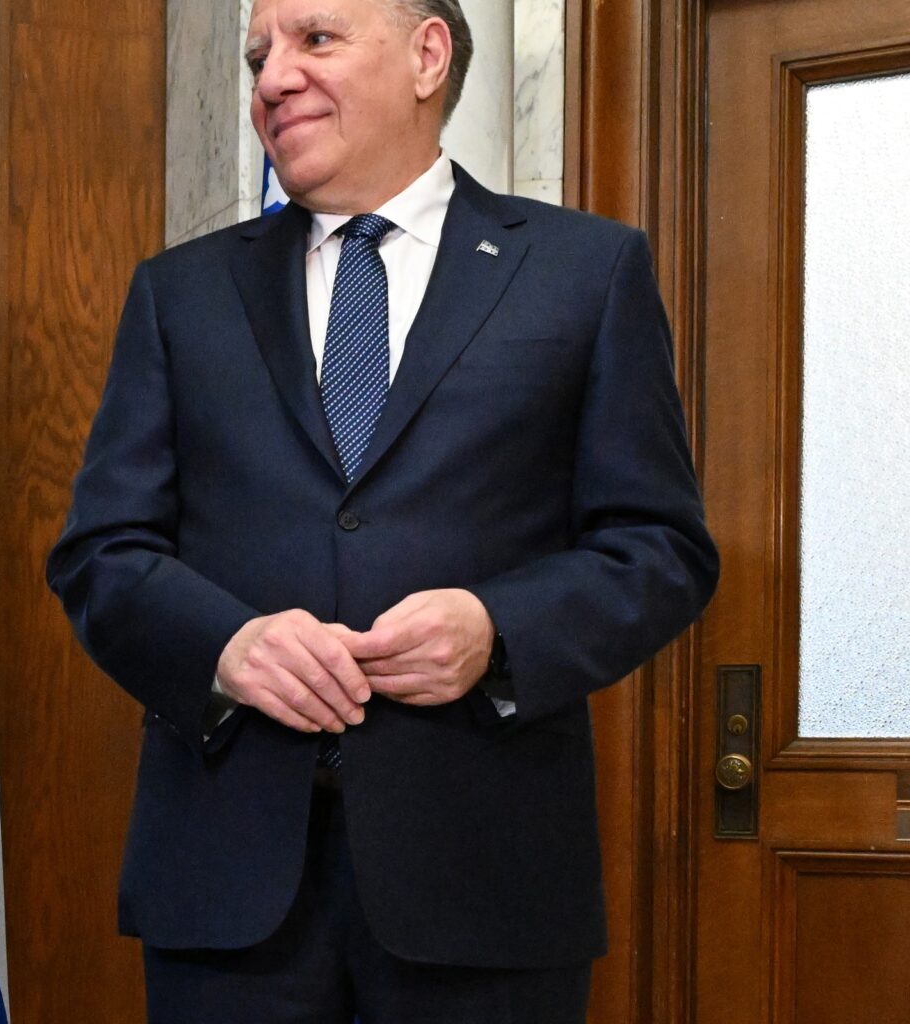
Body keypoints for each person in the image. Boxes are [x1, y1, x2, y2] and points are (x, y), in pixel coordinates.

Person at [46, 0, 718, 1020]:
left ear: (427, 55)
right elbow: (102, 552)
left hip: (484, 888)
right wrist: (226, 646)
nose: (273, 78)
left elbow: (660, 547)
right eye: (260, 53)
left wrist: (498, 631)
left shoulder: (586, 272)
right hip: (227, 894)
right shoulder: (180, 294)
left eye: (315, 40)